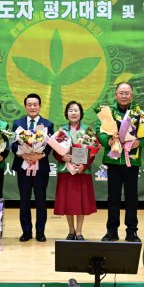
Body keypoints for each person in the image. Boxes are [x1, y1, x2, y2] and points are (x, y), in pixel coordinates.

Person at [97, 82, 144, 242]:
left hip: (132, 162)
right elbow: (100, 132)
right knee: (113, 198)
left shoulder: (140, 114)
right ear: (115, 95)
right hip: (113, 161)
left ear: (132, 95)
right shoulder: (107, 113)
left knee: (131, 198)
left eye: (127, 93)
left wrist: (140, 142)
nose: (124, 96)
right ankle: (111, 231)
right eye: (121, 93)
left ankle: (132, 232)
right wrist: (108, 141)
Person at [53, 101, 98, 240]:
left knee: (81, 202)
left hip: (81, 171)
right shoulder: (61, 131)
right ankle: (71, 231)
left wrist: (84, 166)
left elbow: (93, 153)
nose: (73, 113)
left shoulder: (88, 130)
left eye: (76, 110)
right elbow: (55, 151)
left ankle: (79, 231)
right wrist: (62, 157)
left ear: (81, 113)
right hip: (66, 170)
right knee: (68, 202)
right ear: (66, 113)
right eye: (70, 110)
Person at [12, 93, 54, 242]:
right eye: (29, 104)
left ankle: (40, 232)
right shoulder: (17, 123)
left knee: (41, 200)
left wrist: (40, 155)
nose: (32, 107)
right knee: (24, 200)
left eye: (35, 104)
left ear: (40, 106)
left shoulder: (48, 124)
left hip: (41, 168)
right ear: (25, 106)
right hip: (23, 166)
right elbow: (13, 144)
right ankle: (26, 232)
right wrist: (23, 155)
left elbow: (50, 145)